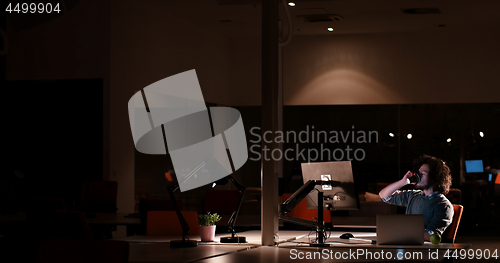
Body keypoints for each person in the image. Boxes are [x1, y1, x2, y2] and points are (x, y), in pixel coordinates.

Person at [379, 155, 454, 241]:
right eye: (418, 173)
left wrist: (401, 230)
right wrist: (403, 182)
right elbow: (384, 196)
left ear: (434, 177)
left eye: (423, 174)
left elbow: (431, 236)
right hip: (407, 244)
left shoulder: (443, 205)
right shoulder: (413, 195)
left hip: (425, 251)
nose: (418, 176)